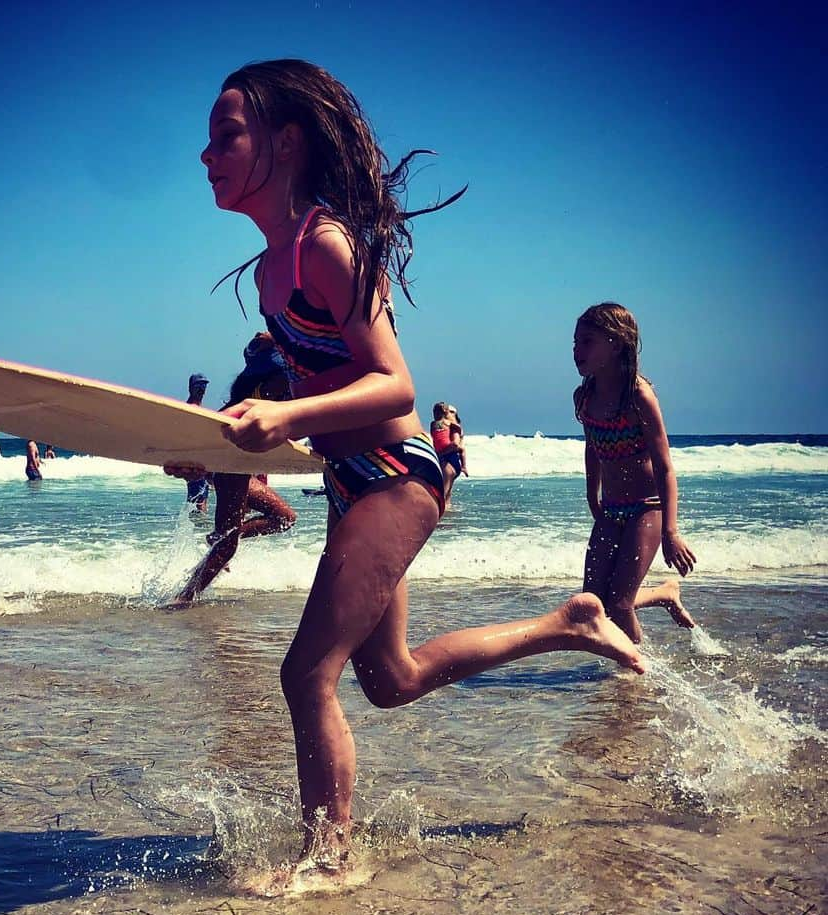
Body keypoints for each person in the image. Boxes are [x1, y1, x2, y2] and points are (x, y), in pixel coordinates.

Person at [199, 59, 644, 873]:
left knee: (307, 673)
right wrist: (246, 425)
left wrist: (288, 414)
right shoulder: (269, 271)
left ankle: (327, 864)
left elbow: (393, 381)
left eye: (226, 135)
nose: (207, 154)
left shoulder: (324, 244)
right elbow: (318, 381)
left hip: (400, 475)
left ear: (286, 143)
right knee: (392, 679)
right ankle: (569, 622)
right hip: (350, 482)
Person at [574, 303, 696, 642]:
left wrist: (671, 532)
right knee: (592, 604)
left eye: (587, 342)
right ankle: (663, 594)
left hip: (648, 507)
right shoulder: (584, 396)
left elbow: (664, 465)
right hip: (612, 509)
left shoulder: (638, 395)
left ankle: (636, 677)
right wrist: (591, 494)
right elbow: (592, 448)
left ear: (614, 343)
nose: (576, 351)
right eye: (575, 343)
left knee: (620, 604)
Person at [172, 336, 297, 604]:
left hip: (247, 469)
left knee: (284, 518)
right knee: (228, 543)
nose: (288, 387)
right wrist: (190, 464)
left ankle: (220, 539)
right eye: (282, 379)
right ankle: (184, 598)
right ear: (264, 381)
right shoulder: (242, 407)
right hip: (231, 467)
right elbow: (209, 437)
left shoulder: (278, 396)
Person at [184, 374, 211, 514]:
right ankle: (195, 526)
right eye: (198, 385)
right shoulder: (188, 409)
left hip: (203, 459)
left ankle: (199, 528)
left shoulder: (201, 408)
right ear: (190, 387)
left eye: (204, 385)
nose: (202, 388)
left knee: (203, 495)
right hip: (193, 459)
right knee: (197, 497)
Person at [430, 401, 467, 504]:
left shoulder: (453, 427)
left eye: (451, 412)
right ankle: (448, 515)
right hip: (451, 460)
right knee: (447, 493)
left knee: (443, 493)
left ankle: (442, 516)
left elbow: (455, 444)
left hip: (448, 460)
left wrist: (440, 454)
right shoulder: (439, 425)